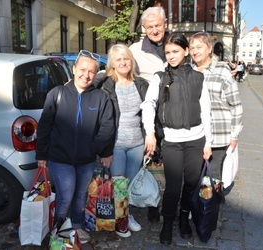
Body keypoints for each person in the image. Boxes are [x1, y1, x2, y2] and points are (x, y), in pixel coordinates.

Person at [35, 50, 116, 245]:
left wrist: (95, 148)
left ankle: (77, 228)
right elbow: (44, 126)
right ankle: (60, 229)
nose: (86, 75)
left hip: (86, 159)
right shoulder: (57, 93)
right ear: (73, 69)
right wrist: (41, 154)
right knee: (66, 194)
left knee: (81, 194)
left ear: (96, 73)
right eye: (82, 69)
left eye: (91, 71)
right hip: (59, 157)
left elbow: (107, 126)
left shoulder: (100, 97)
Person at [141, 34, 213, 245]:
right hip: (171, 141)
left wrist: (208, 142)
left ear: (185, 51)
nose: (171, 56)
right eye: (168, 52)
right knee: (173, 186)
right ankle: (167, 223)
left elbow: (206, 110)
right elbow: (148, 104)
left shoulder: (199, 77)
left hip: (196, 139)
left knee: (191, 184)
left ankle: (183, 219)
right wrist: (150, 131)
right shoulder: (160, 77)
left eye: (175, 51)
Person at [95, 44, 149, 237]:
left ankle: (127, 215)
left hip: (136, 143)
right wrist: (104, 150)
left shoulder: (142, 84)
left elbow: (149, 114)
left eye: (126, 58)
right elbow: (99, 118)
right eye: (118, 59)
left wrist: (150, 137)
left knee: (131, 184)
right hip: (115, 145)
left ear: (131, 61)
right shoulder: (105, 84)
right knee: (119, 185)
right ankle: (120, 220)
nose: (123, 62)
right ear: (112, 63)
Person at [189, 32, 243, 194]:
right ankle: (197, 206)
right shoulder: (188, 70)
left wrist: (234, 135)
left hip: (218, 133)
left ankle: (208, 210)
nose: (195, 51)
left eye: (199, 47)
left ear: (209, 48)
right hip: (195, 133)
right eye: (192, 48)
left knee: (212, 176)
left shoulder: (221, 71)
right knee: (195, 174)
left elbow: (236, 105)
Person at [129, 6, 168, 223]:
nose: (154, 30)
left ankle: (165, 198)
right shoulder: (135, 50)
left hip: (173, 114)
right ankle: (153, 202)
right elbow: (118, 69)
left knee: (169, 162)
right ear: (144, 28)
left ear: (165, 24)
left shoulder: (175, 45)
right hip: (149, 116)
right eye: (150, 26)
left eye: (158, 26)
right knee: (151, 158)